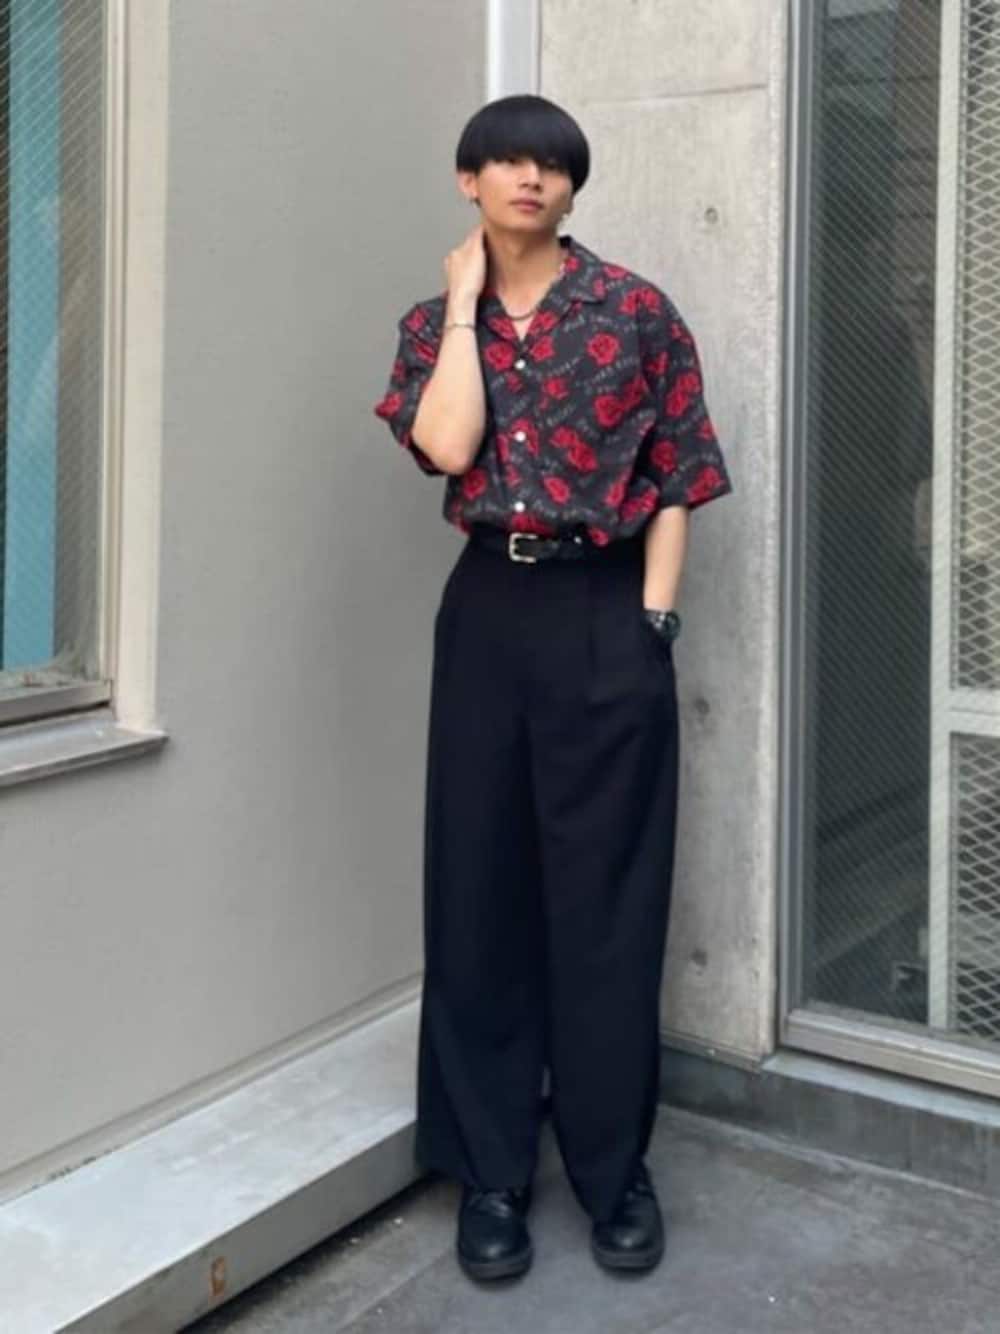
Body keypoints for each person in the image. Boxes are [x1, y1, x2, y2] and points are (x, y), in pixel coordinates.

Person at [373, 93, 732, 1282]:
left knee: (606, 900)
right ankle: (490, 1171)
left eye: (553, 164)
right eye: (508, 161)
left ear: (573, 186)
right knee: (478, 888)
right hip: (488, 609)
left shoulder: (633, 311)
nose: (532, 178)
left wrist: (654, 621)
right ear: (468, 180)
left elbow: (677, 472)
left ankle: (613, 1167)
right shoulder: (431, 325)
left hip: (604, 608)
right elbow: (447, 448)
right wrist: (465, 307)